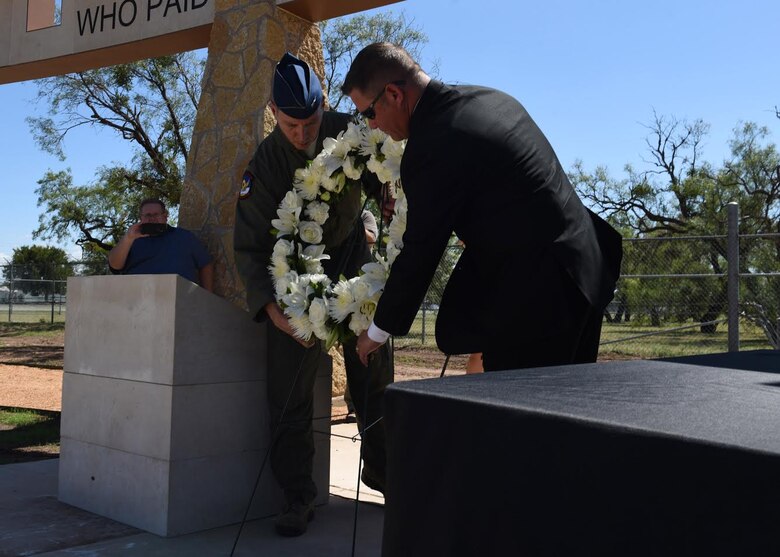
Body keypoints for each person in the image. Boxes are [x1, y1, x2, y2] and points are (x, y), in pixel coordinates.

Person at [342, 43, 623, 372]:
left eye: (369, 113)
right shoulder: (488, 98)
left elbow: (421, 251)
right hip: (584, 269)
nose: (372, 125)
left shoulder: (431, 146)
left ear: (393, 94)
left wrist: (377, 330)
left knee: (523, 418)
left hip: (539, 303)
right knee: (567, 415)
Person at [233, 52, 393, 537]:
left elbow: (377, 171)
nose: (302, 134)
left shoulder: (349, 130)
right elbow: (249, 245)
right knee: (289, 389)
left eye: (310, 121)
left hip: (348, 254)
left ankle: (387, 474)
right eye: (290, 124)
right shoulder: (263, 165)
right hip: (291, 285)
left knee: (374, 366)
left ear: (324, 106)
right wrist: (277, 314)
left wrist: (386, 190)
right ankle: (297, 495)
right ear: (273, 112)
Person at [108, 198, 214, 292]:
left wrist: (207, 296)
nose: (152, 218)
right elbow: (115, 266)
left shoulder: (184, 237)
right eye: (148, 215)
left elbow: (205, 264)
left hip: (180, 299)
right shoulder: (131, 240)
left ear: (165, 216)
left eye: (156, 214)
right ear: (141, 218)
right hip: (138, 299)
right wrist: (128, 238)